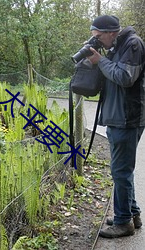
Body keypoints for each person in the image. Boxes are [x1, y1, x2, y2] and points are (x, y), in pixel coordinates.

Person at [87, 15, 145, 238]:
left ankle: (123, 223)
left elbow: (124, 77)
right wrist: (97, 60)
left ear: (111, 32)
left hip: (127, 118)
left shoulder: (133, 44)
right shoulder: (116, 46)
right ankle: (132, 214)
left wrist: (100, 61)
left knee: (120, 171)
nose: (98, 41)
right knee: (122, 171)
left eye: (99, 37)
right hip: (117, 117)